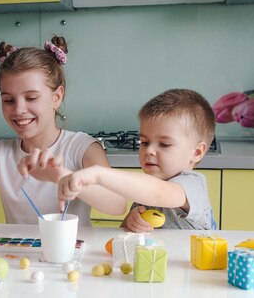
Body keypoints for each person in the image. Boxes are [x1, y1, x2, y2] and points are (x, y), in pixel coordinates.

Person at [0, 36, 126, 225]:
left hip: (72, 254)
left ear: (57, 97)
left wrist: (64, 176)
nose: (18, 110)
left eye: (32, 98)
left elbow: (117, 204)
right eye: (9, 100)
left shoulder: (83, 148)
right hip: (20, 255)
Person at [58, 89, 216, 231]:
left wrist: (99, 175)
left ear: (196, 152)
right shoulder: (144, 193)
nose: (149, 150)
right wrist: (130, 222)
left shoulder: (193, 185)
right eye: (144, 143)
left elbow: (159, 192)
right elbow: (125, 237)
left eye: (164, 144)